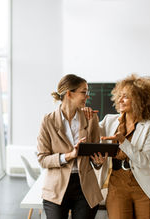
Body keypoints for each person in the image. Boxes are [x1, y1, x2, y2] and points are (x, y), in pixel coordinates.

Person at [85, 74, 150, 219]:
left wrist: (123, 141)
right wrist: (90, 120)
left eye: (125, 96)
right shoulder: (109, 120)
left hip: (142, 187)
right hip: (117, 185)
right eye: (119, 96)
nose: (120, 100)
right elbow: (93, 137)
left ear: (140, 100)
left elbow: (144, 161)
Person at [37, 74, 107, 219]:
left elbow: (94, 153)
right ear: (69, 93)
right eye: (83, 92)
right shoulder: (48, 121)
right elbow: (43, 159)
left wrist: (98, 162)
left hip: (85, 188)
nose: (87, 96)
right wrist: (70, 155)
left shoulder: (91, 117)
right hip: (56, 187)